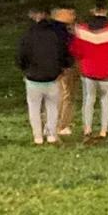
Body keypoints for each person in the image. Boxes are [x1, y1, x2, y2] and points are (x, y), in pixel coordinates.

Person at [70, 0, 108, 140]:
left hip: (88, 70)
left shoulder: (82, 28)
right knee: (105, 101)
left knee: (89, 99)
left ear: (93, 10)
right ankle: (103, 130)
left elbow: (75, 50)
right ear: (106, 10)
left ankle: (87, 129)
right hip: (106, 70)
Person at [17, 8, 71, 144]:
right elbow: (64, 54)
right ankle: (51, 134)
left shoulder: (28, 35)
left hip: (33, 77)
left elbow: (21, 56)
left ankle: (38, 136)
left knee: (34, 108)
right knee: (52, 106)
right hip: (52, 77)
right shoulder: (55, 34)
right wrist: (62, 69)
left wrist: (25, 69)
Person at [50, 6, 79, 136]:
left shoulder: (50, 29)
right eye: (70, 13)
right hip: (65, 67)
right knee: (67, 95)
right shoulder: (63, 32)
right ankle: (62, 125)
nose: (73, 16)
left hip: (52, 67)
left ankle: (52, 124)